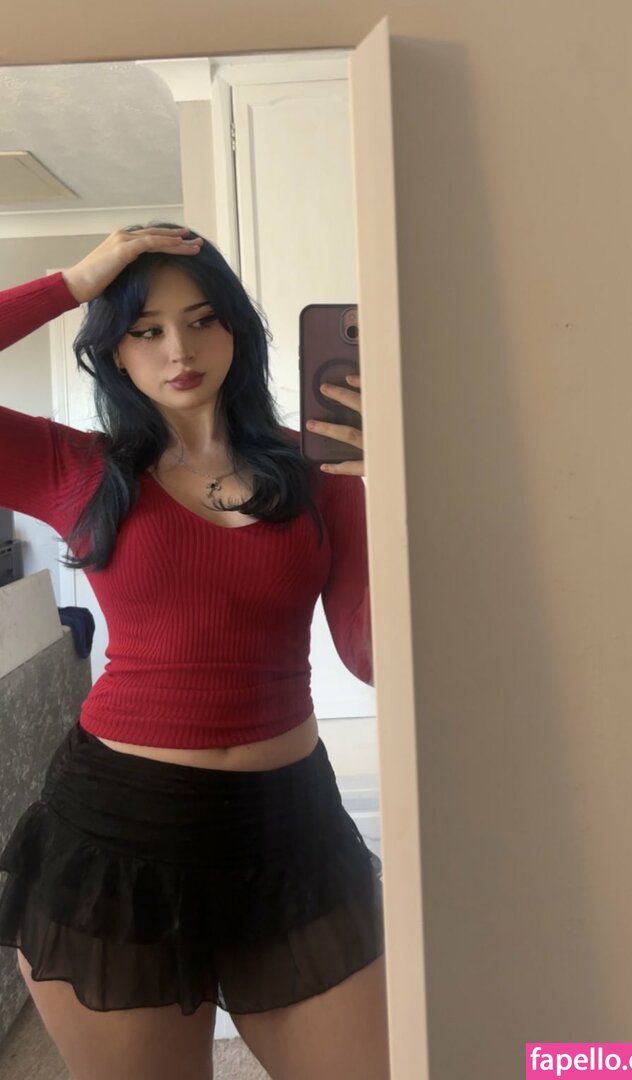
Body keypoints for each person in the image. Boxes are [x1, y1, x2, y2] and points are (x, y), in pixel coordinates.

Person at [0, 226, 388, 1080]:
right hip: (121, 835)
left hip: (292, 830)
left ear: (237, 329)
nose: (180, 349)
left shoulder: (321, 473)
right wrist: (76, 281)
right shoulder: (78, 468)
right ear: (115, 348)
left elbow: (372, 657)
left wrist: (399, 487)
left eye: (203, 319)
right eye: (147, 329)